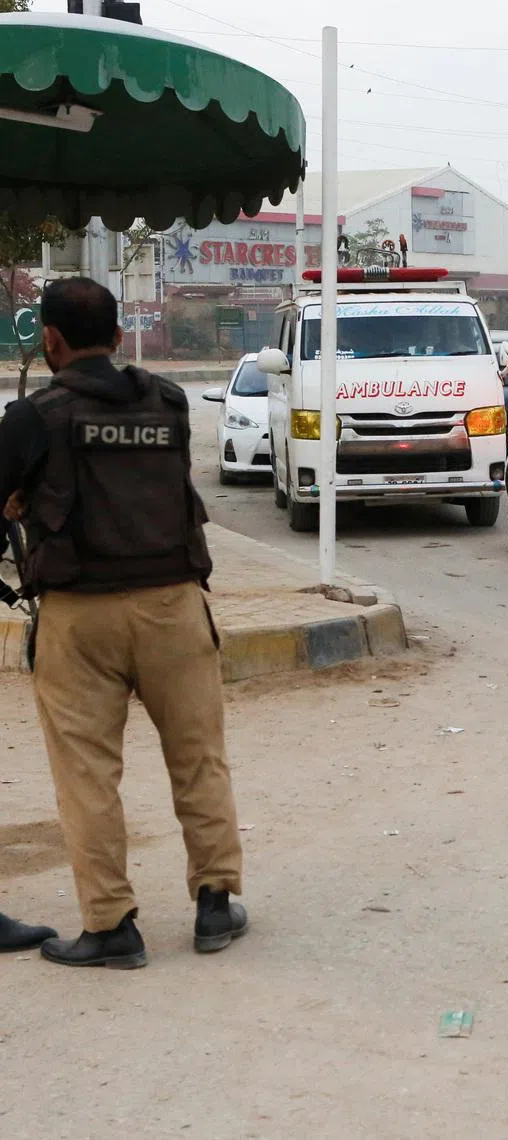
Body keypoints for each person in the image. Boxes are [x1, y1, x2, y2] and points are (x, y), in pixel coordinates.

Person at [0, 277, 246, 970]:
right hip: (174, 605)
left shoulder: (31, 416)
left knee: (88, 776)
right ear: (115, 335)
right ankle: (215, 904)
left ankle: (111, 926)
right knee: (198, 758)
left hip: (79, 618)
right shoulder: (168, 402)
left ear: (49, 340)